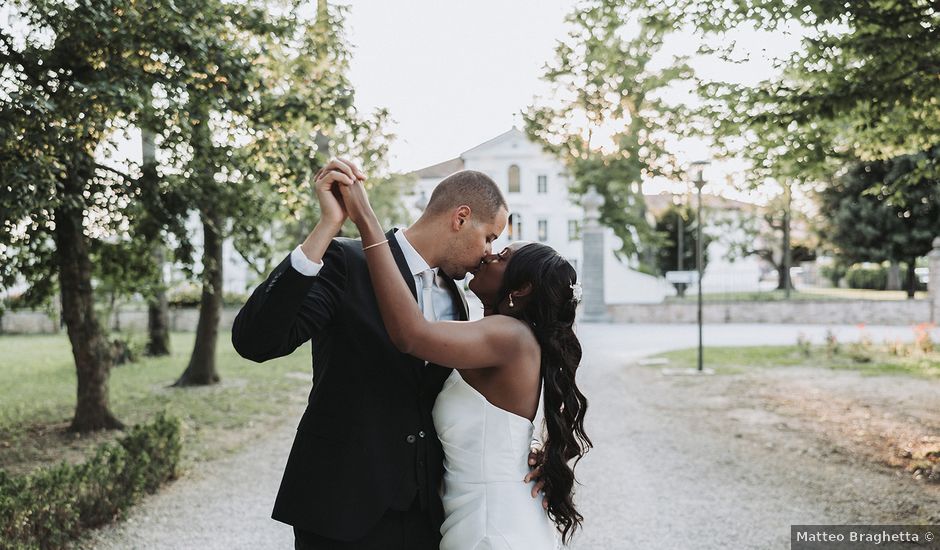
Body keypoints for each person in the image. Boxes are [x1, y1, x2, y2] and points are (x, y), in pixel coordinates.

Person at [232, 159, 544, 549]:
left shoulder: (458, 300)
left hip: (423, 516)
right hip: (340, 507)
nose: (488, 253)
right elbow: (256, 341)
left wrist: (521, 451)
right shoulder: (346, 262)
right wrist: (328, 226)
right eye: (489, 237)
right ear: (461, 218)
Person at [328, 162, 592, 549]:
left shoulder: (509, 337)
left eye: (500, 254)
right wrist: (525, 453)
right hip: (470, 514)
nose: (488, 255)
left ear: (520, 289)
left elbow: (411, 334)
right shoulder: (492, 336)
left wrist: (366, 220)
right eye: (491, 243)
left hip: (491, 523)